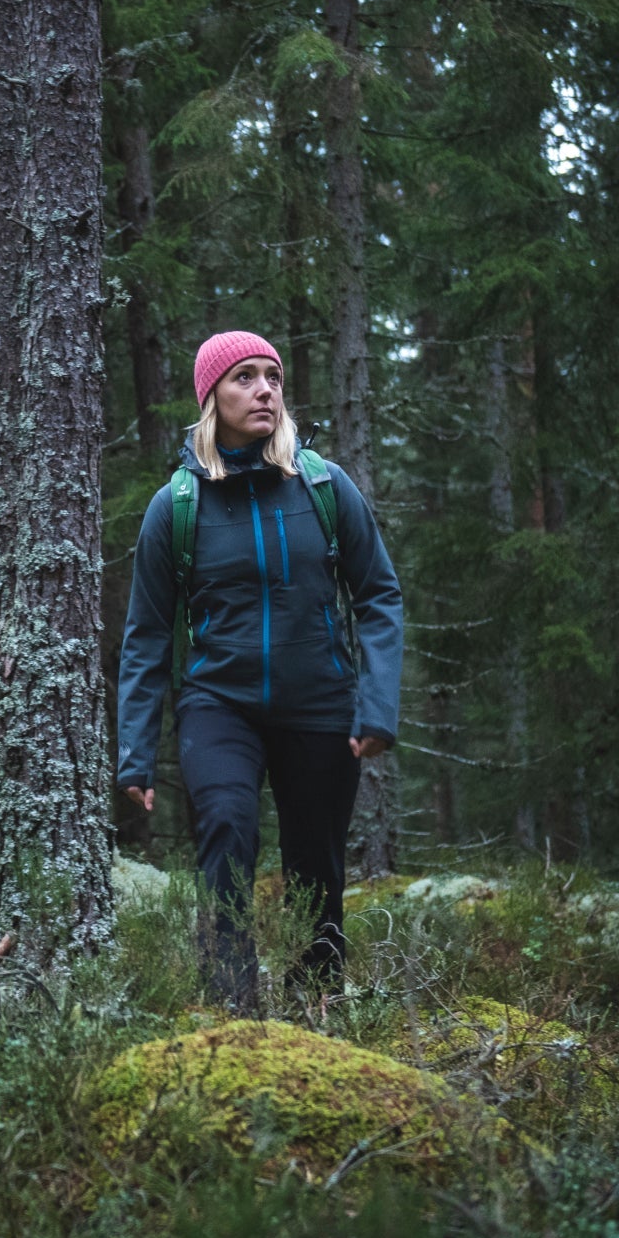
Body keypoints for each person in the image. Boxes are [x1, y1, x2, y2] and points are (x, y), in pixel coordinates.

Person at [116, 330, 404, 1006]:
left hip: (321, 706)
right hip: (220, 705)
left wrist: (376, 706)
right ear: (211, 396)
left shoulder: (325, 488)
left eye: (272, 376)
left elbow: (379, 596)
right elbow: (147, 633)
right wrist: (134, 749)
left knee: (316, 865)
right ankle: (230, 1003)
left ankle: (318, 1000)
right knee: (226, 830)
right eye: (244, 377)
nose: (265, 389)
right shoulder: (177, 507)